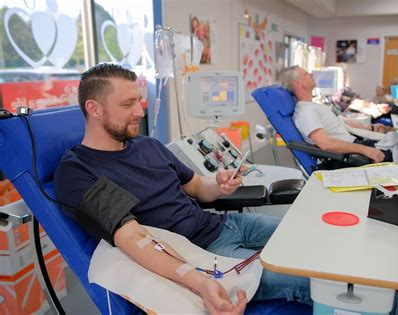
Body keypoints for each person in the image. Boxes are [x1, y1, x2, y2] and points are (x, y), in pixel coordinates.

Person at [54, 63, 311, 314]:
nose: (139, 112)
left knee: (315, 237)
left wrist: (219, 185)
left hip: (225, 224)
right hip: (203, 253)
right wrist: (201, 282)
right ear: (94, 109)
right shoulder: (77, 171)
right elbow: (132, 238)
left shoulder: (148, 145)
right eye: (126, 104)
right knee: (315, 280)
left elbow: (197, 186)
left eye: (138, 101)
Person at [281, 65, 393, 164]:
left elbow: (340, 123)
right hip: (350, 155)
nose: (311, 74)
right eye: (306, 74)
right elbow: (325, 144)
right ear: (297, 83)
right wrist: (367, 150)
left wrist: (370, 128)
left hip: (354, 146)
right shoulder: (306, 112)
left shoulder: (313, 106)